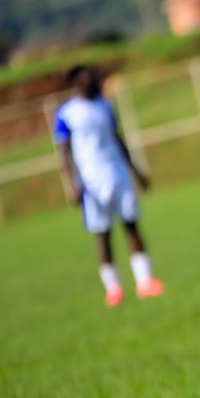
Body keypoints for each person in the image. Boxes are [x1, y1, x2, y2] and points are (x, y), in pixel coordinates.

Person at [53, 63, 165, 306]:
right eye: (89, 78)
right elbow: (64, 153)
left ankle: (145, 282)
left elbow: (118, 139)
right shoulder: (66, 113)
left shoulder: (106, 105)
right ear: (78, 82)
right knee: (102, 234)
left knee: (132, 225)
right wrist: (72, 183)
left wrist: (136, 171)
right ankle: (113, 289)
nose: (95, 82)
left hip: (118, 173)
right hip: (91, 182)